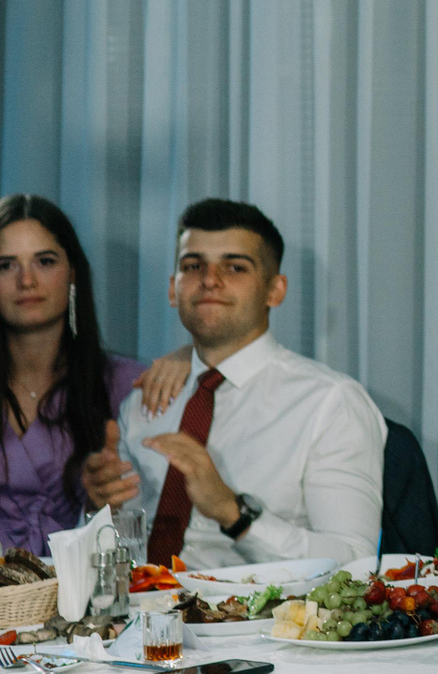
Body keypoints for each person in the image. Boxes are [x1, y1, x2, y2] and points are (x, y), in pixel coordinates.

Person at [80, 198, 385, 567]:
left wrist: (234, 513)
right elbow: (108, 555)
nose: (210, 279)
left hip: (259, 605)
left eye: (235, 267)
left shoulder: (329, 403)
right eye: (193, 266)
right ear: (173, 289)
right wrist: (100, 510)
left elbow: (357, 564)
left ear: (275, 290)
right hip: (142, 600)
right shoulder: (145, 402)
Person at [0, 194, 192, 554]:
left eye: (44, 261)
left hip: (92, 580)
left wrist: (190, 357)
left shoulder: (127, 383)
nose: (26, 280)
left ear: (73, 272)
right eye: (6, 265)